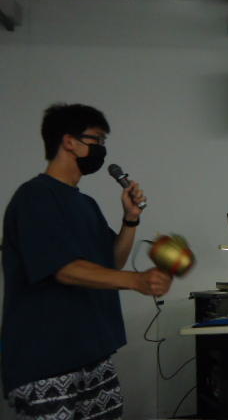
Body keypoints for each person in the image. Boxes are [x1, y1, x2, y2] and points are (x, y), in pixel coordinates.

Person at [1, 104, 173, 419]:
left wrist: (130, 220)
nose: (102, 149)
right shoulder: (34, 197)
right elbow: (63, 269)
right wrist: (136, 281)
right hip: (46, 359)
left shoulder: (85, 204)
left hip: (91, 353)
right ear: (69, 141)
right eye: (97, 140)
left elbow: (111, 263)